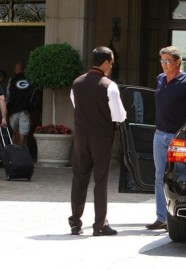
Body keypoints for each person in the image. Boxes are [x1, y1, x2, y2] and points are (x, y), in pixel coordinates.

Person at [68, 46, 127, 236]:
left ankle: (75, 222)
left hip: (81, 136)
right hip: (101, 137)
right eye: (112, 62)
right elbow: (119, 116)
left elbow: (76, 105)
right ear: (106, 62)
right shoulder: (109, 85)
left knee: (79, 177)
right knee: (100, 179)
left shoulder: (77, 83)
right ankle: (100, 224)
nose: (111, 66)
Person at [146, 46, 186, 230]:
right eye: (162, 61)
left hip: (177, 138)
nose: (164, 65)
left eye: (168, 61)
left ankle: (177, 217)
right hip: (159, 135)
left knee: (178, 177)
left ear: (178, 62)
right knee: (158, 176)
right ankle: (161, 218)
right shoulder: (160, 79)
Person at [6, 63, 30, 144]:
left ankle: (12, 149)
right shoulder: (29, 79)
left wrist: (7, 106)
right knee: (23, 130)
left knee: (11, 129)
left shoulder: (12, 79)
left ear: (15, 69)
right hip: (25, 108)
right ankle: (21, 148)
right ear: (22, 69)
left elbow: (8, 94)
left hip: (14, 108)